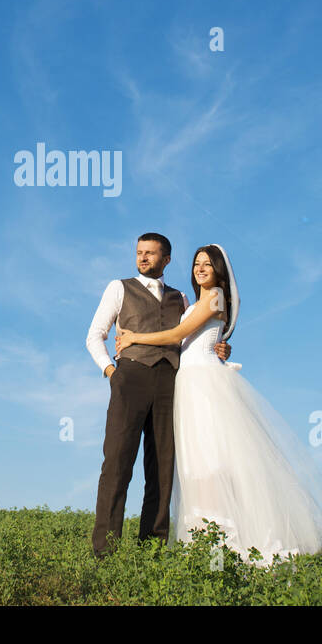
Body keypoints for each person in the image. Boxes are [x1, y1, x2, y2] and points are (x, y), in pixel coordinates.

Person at [115, 244, 322, 565]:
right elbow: (190, 338)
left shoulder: (214, 298)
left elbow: (178, 333)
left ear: (218, 272)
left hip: (205, 384)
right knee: (196, 465)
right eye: (197, 263)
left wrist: (134, 338)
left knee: (215, 461)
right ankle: (204, 540)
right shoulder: (196, 300)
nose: (200, 269)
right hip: (188, 382)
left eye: (208, 266)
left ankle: (228, 542)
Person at [86, 233, 230, 558]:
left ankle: (151, 552)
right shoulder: (118, 288)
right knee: (118, 462)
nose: (143, 258)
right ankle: (104, 553)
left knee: (163, 468)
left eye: (151, 253)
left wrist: (221, 346)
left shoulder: (181, 298)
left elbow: (192, 334)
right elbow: (95, 336)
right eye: (139, 253)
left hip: (170, 383)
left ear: (166, 260)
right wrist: (112, 372)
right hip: (131, 377)